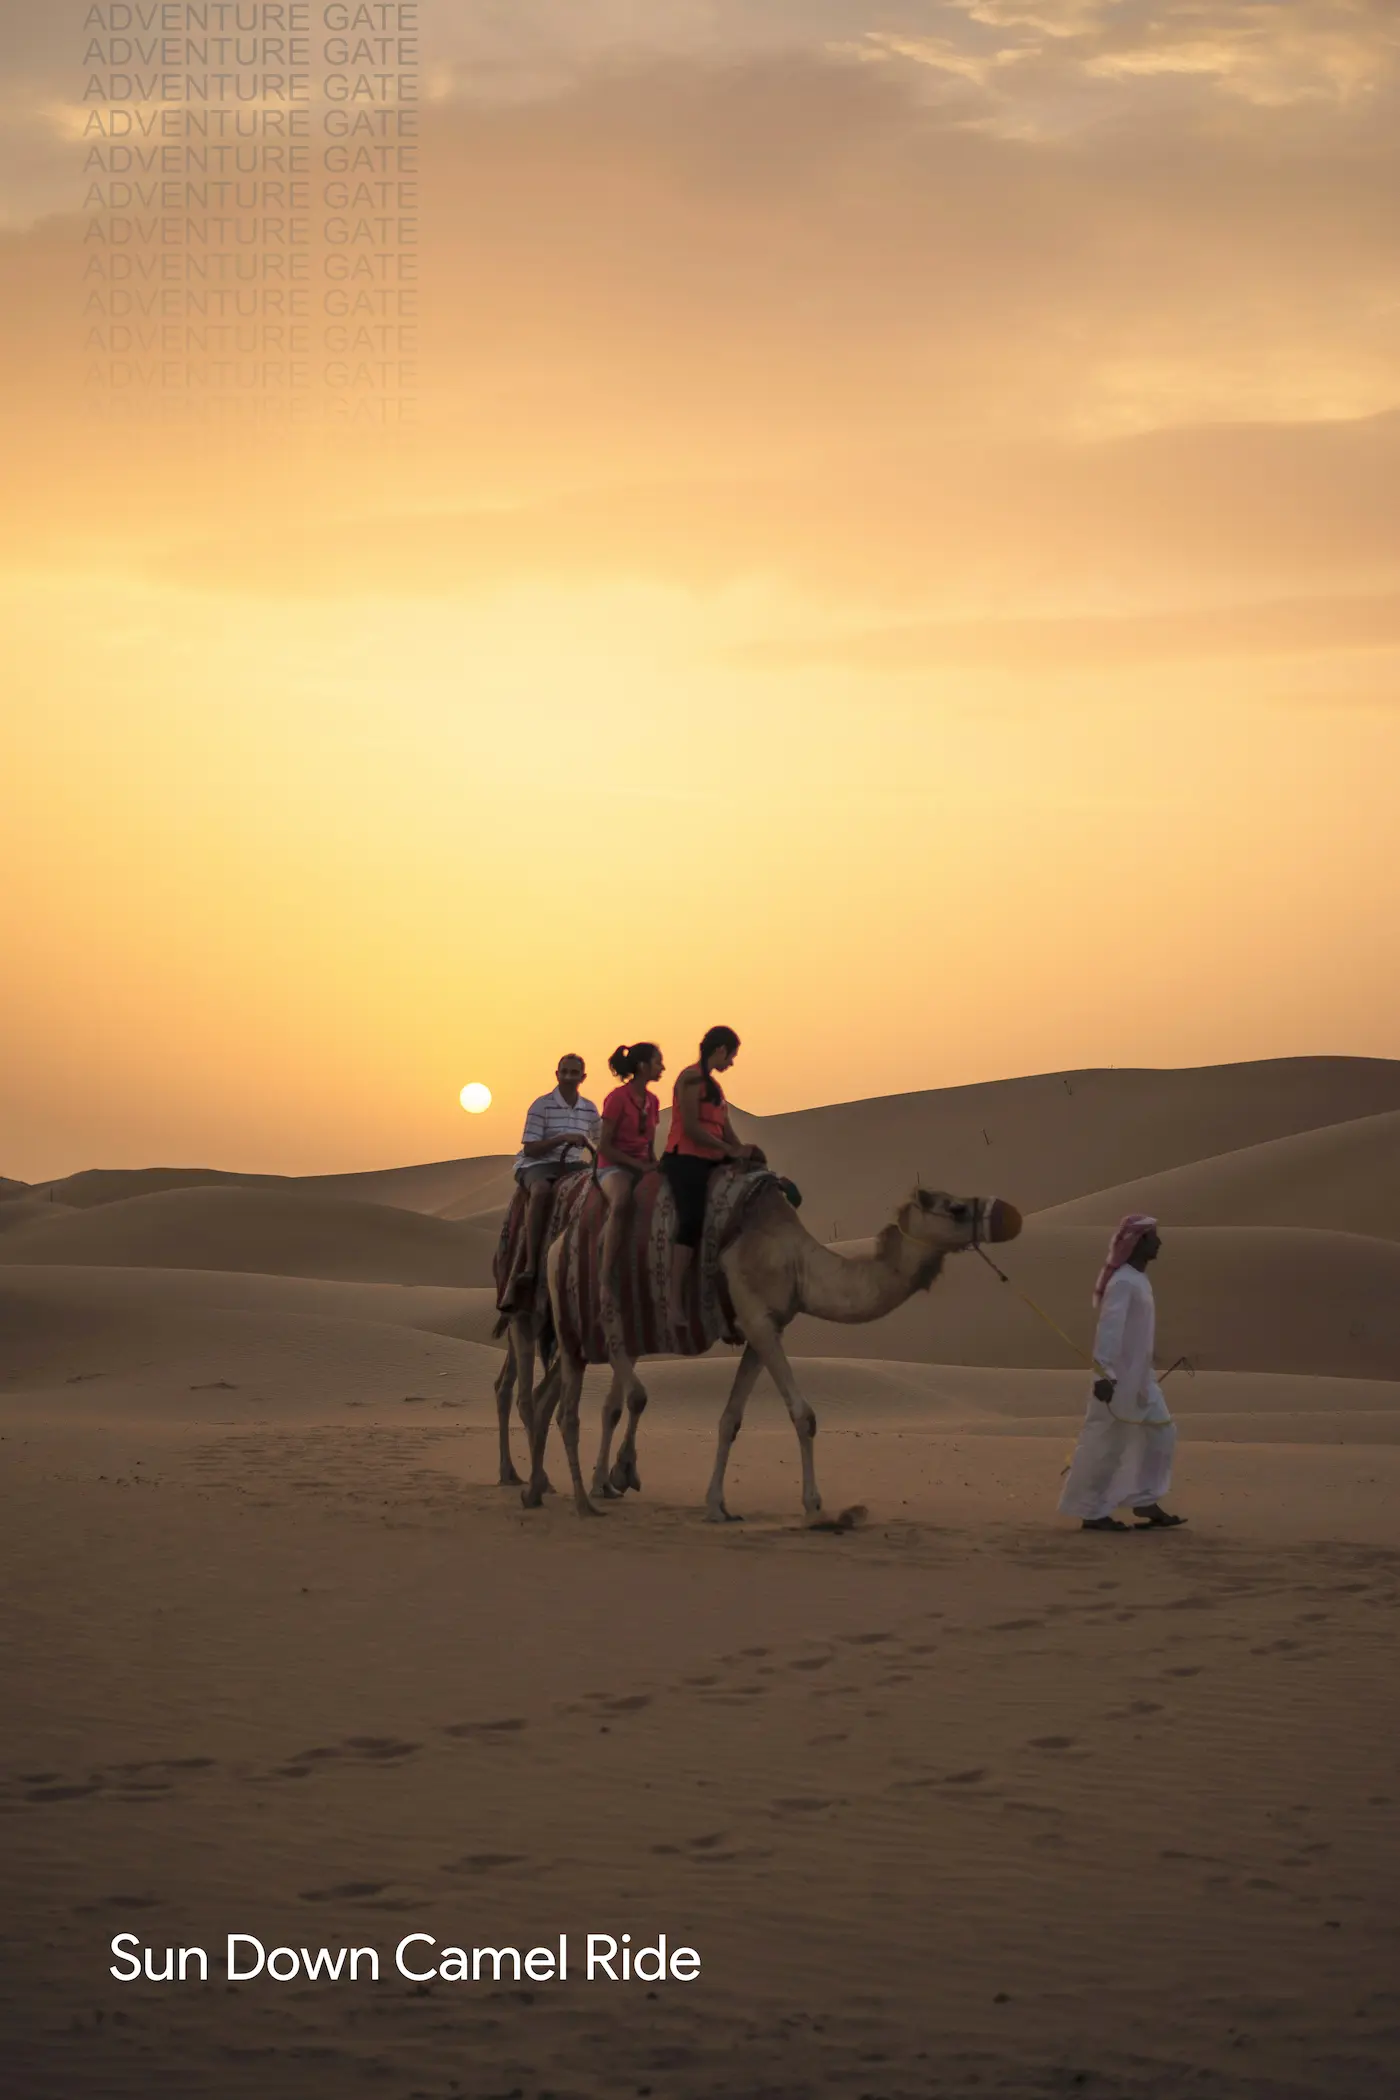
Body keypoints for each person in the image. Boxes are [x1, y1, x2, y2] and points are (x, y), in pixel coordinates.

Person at [1058, 1213, 1186, 1533]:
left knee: (1162, 1433)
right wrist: (1104, 1375)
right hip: (1115, 1381)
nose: (1159, 1242)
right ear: (1139, 1242)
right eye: (1154, 1237)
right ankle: (1091, 1511)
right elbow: (1109, 1332)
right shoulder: (1124, 1282)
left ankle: (1144, 1500)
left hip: (1142, 1380)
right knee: (1106, 1444)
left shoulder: (1139, 1279)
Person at [661, 1025, 762, 1326]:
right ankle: (673, 1300)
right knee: (691, 1220)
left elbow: (727, 1130)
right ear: (720, 1050)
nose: (731, 1062)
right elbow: (692, 1128)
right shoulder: (690, 1079)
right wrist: (727, 1150)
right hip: (685, 1159)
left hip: (714, 1159)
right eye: (731, 1055)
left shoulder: (715, 1089)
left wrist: (742, 1150)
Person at [512, 1053, 599, 1290]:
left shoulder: (589, 1109)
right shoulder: (541, 1105)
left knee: (602, 1186)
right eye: (565, 1072)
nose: (569, 1077)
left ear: (583, 1077)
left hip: (572, 1165)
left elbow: (601, 1140)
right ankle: (530, 1265)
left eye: (574, 1072)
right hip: (536, 1165)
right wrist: (562, 1138)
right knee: (540, 1192)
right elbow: (530, 1149)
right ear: (557, 1074)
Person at [597, 1042, 665, 1300]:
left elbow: (648, 1145)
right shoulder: (617, 1099)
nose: (662, 1067)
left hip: (643, 1165)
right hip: (613, 1166)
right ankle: (606, 1277)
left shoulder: (653, 1101)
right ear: (642, 1066)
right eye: (658, 1062)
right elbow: (605, 1146)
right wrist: (639, 1166)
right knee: (622, 1202)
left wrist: (655, 1165)